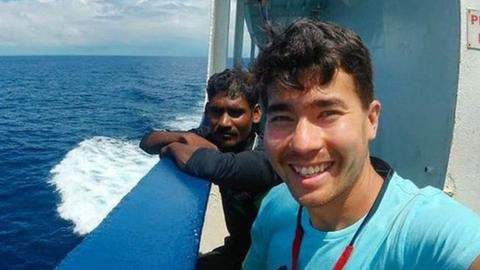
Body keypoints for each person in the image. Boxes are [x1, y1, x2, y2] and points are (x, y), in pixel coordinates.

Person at [243, 19, 480, 270]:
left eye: (328, 114)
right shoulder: (276, 208)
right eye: (282, 118)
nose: (303, 143)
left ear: (371, 120)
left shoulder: (427, 233)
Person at [140, 69, 280, 270]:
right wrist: (182, 138)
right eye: (217, 111)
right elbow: (147, 141)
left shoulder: (267, 154)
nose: (224, 122)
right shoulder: (215, 137)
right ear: (207, 111)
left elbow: (222, 167)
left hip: (272, 260)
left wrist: (174, 147)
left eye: (235, 112)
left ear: (256, 114)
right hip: (238, 250)